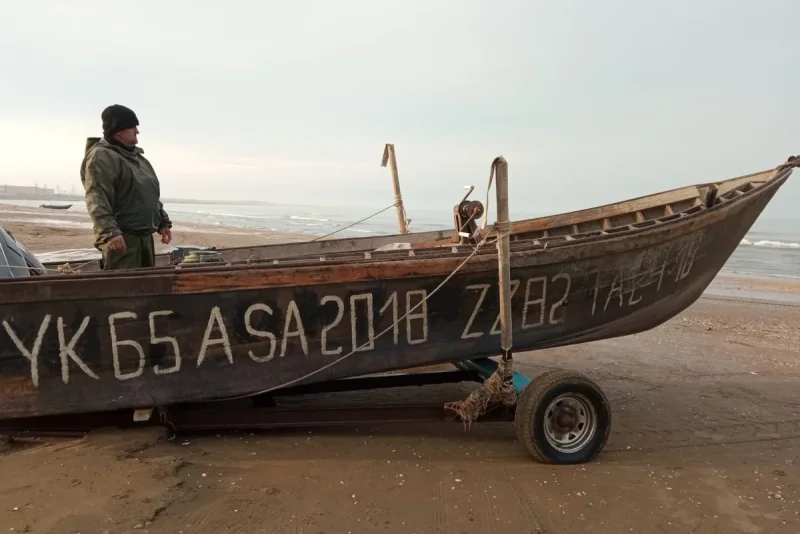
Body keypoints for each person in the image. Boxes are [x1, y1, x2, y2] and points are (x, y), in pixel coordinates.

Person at [80, 104, 173, 270]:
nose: (137, 131)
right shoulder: (101, 156)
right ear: (118, 130)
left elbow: (149, 196)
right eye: (132, 126)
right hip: (122, 241)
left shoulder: (138, 159)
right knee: (124, 285)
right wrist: (110, 233)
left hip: (144, 240)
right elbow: (97, 198)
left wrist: (163, 222)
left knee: (147, 283)